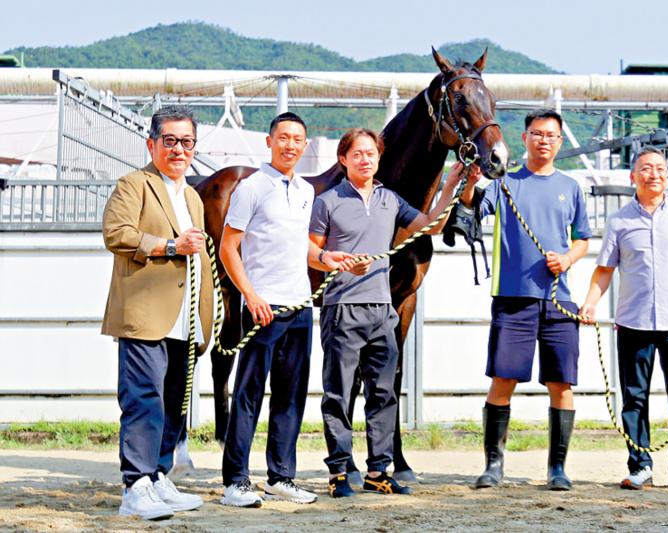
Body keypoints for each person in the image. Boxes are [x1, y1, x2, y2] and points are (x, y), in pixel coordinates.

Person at [309, 128, 470, 498]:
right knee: (338, 393)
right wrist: (333, 261)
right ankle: (338, 472)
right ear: (343, 159)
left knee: (383, 394)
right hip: (342, 308)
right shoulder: (328, 201)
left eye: (371, 153)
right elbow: (311, 252)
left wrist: (452, 183)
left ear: (378, 158)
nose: (365, 159)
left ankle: (378, 471)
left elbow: (432, 224)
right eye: (358, 154)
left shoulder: (390, 200)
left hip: (383, 311)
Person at [219, 112, 355, 508]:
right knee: (248, 395)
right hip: (263, 307)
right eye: (283, 137)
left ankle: (280, 476)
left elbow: (303, 250)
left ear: (305, 145)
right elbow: (229, 247)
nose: (290, 145)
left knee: (291, 396)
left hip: (299, 307)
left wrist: (329, 258)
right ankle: (236, 481)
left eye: (298, 139)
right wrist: (251, 296)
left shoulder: (305, 191)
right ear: (269, 141)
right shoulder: (251, 188)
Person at [459, 109, 591, 491]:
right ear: (525, 138)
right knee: (503, 380)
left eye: (551, 135)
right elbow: (470, 210)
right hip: (513, 299)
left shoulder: (572, 187)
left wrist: (567, 258)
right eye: (537, 133)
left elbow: (583, 238)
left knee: (561, 384)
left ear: (560, 141)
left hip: (559, 301)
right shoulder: (504, 184)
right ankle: (493, 464)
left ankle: (558, 468)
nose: (544, 140)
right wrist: (469, 183)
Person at [579, 146, 668, 491]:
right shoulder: (619, 221)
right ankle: (640, 466)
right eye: (645, 168)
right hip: (633, 323)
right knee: (634, 397)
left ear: (666, 175)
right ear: (633, 176)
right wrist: (590, 303)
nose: (653, 174)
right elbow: (604, 269)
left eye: (659, 168)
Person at [102, 105, 210, 520]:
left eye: (186, 142)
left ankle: (159, 474)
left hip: (184, 318)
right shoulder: (134, 184)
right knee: (143, 400)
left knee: (172, 402)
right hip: (145, 314)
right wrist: (169, 246)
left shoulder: (193, 196)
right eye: (170, 141)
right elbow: (117, 233)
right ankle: (135, 486)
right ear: (152, 143)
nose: (179, 149)